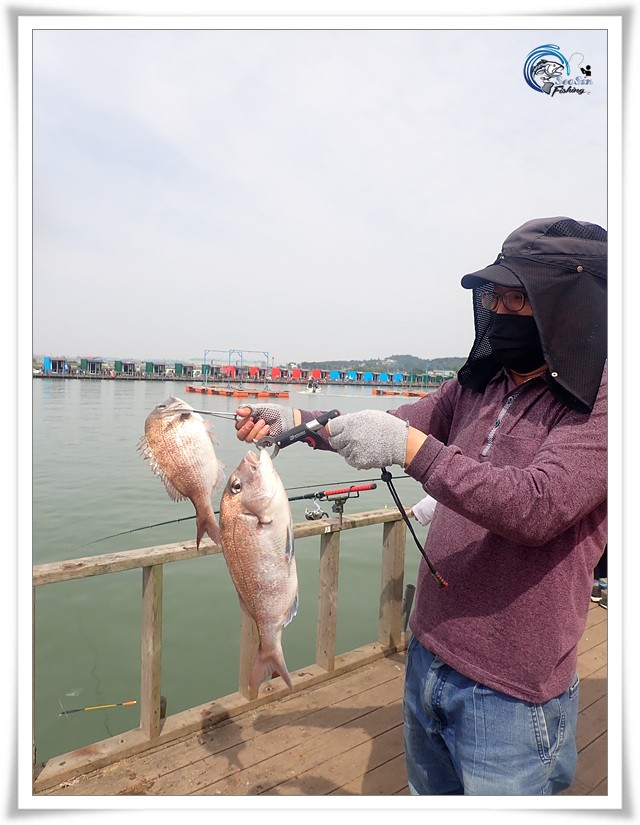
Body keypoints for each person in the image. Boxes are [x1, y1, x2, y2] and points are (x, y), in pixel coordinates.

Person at [235, 216, 607, 796]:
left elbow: (537, 505)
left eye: (518, 298)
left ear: (569, 305)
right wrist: (296, 422)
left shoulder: (605, 403)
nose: (501, 310)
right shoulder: (479, 383)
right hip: (429, 651)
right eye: (496, 296)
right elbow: (392, 425)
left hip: (512, 692)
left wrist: (414, 451)